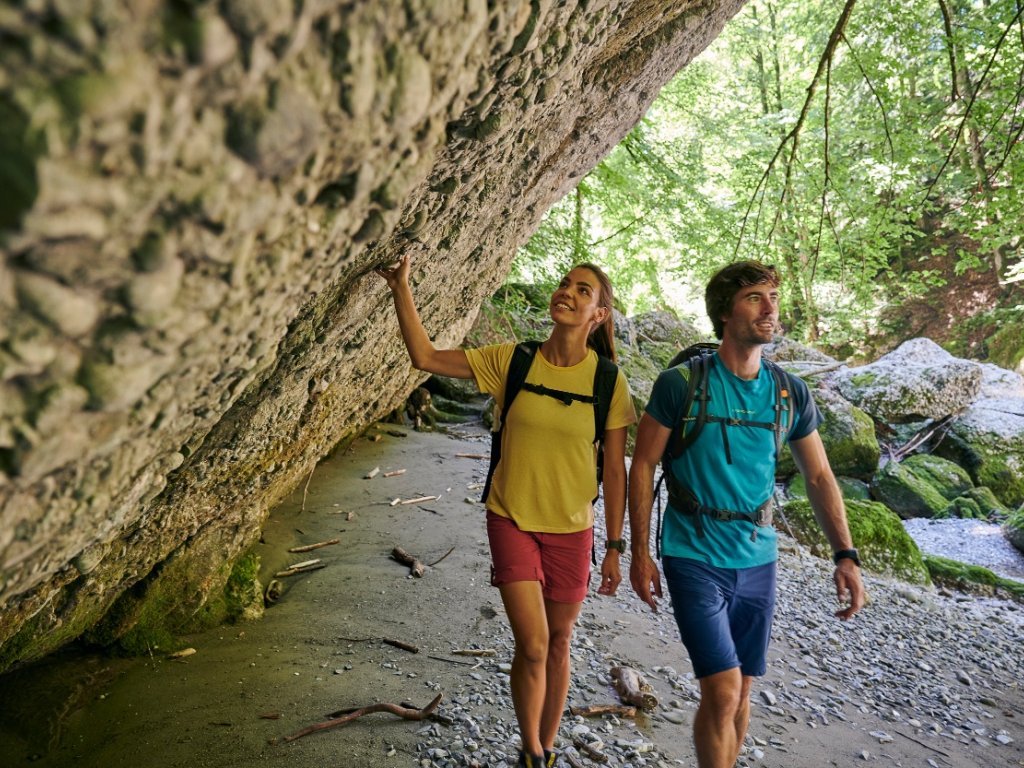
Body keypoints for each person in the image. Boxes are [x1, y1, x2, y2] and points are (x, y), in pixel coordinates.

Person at [377, 255, 637, 768]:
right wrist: (400, 285)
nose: (567, 292)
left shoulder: (609, 382)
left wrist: (614, 545)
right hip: (512, 518)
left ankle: (545, 746)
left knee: (559, 643)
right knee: (535, 644)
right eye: (564, 283)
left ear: (599, 315)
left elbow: (614, 471)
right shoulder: (513, 361)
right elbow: (424, 357)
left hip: (573, 530)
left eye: (582, 290)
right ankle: (533, 749)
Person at [627, 260, 865, 768]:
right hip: (691, 551)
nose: (771, 306)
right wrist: (639, 551)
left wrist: (845, 554)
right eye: (756, 297)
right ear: (724, 311)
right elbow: (643, 464)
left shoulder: (790, 393)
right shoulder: (680, 385)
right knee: (723, 688)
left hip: (758, 558)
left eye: (774, 296)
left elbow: (820, 477)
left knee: (743, 691)